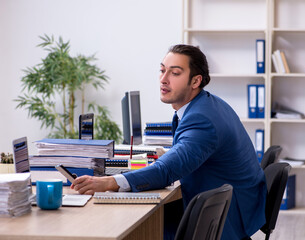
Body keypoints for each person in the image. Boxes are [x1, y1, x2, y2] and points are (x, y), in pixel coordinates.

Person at [71, 44, 267, 240]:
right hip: (230, 204)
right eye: (162, 70)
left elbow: (165, 171)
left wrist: (109, 182)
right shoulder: (205, 104)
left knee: (124, 224)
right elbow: (185, 153)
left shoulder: (202, 119)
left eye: (175, 73)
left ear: (196, 81)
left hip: (226, 218)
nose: (163, 79)